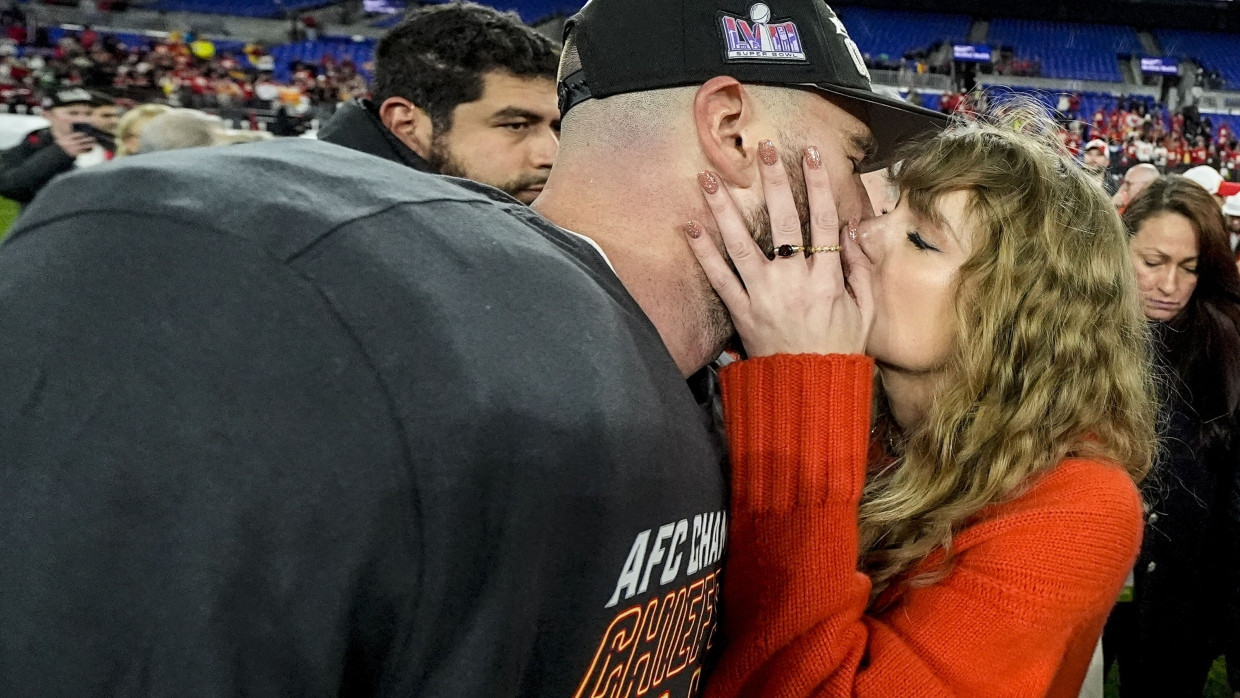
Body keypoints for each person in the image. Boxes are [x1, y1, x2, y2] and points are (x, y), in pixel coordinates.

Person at [0, 0, 945, 693]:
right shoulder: (295, 277)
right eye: (858, 156)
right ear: (732, 130)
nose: (868, 205)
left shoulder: (700, 373)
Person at [680, 110, 1156, 696]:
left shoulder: (1080, 508)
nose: (862, 234)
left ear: (1013, 319)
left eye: (921, 239)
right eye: (887, 209)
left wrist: (801, 384)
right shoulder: (875, 428)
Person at [1101, 175, 1240, 698]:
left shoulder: (1226, 349)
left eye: (1189, 268)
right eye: (1152, 262)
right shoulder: (1067, 337)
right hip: (1076, 578)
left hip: (1182, 601)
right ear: (1118, 247)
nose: (1168, 286)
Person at [317, 2, 560, 205]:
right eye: (517, 125)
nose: (552, 156)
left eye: (558, 128)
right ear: (406, 124)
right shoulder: (327, 236)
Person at [0, 87, 97, 205]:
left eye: (89, 113)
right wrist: (58, 153)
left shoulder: (107, 143)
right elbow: (10, 186)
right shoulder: (31, 144)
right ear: (48, 115)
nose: (82, 119)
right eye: (73, 113)